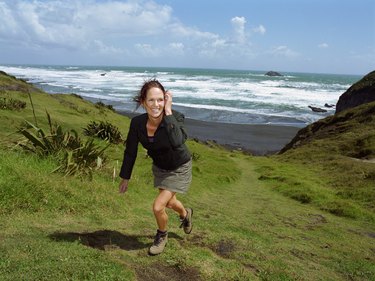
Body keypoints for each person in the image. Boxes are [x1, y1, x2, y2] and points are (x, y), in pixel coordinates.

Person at [118, 79, 193, 256]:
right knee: (170, 202)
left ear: (165, 100)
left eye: (160, 99)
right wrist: (125, 177)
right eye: (151, 100)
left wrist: (168, 112)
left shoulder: (176, 117)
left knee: (159, 206)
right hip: (160, 167)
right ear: (143, 102)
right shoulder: (137, 123)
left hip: (180, 166)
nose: (156, 104)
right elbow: (130, 151)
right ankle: (185, 214)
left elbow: (177, 141)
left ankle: (161, 236)